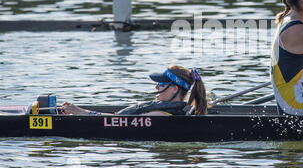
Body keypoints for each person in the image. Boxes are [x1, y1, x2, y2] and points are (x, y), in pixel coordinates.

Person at [61, 65, 208, 116]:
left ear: (175, 88)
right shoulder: (178, 109)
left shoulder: (159, 114)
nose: (156, 87)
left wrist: (80, 111)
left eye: (161, 84)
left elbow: (116, 121)